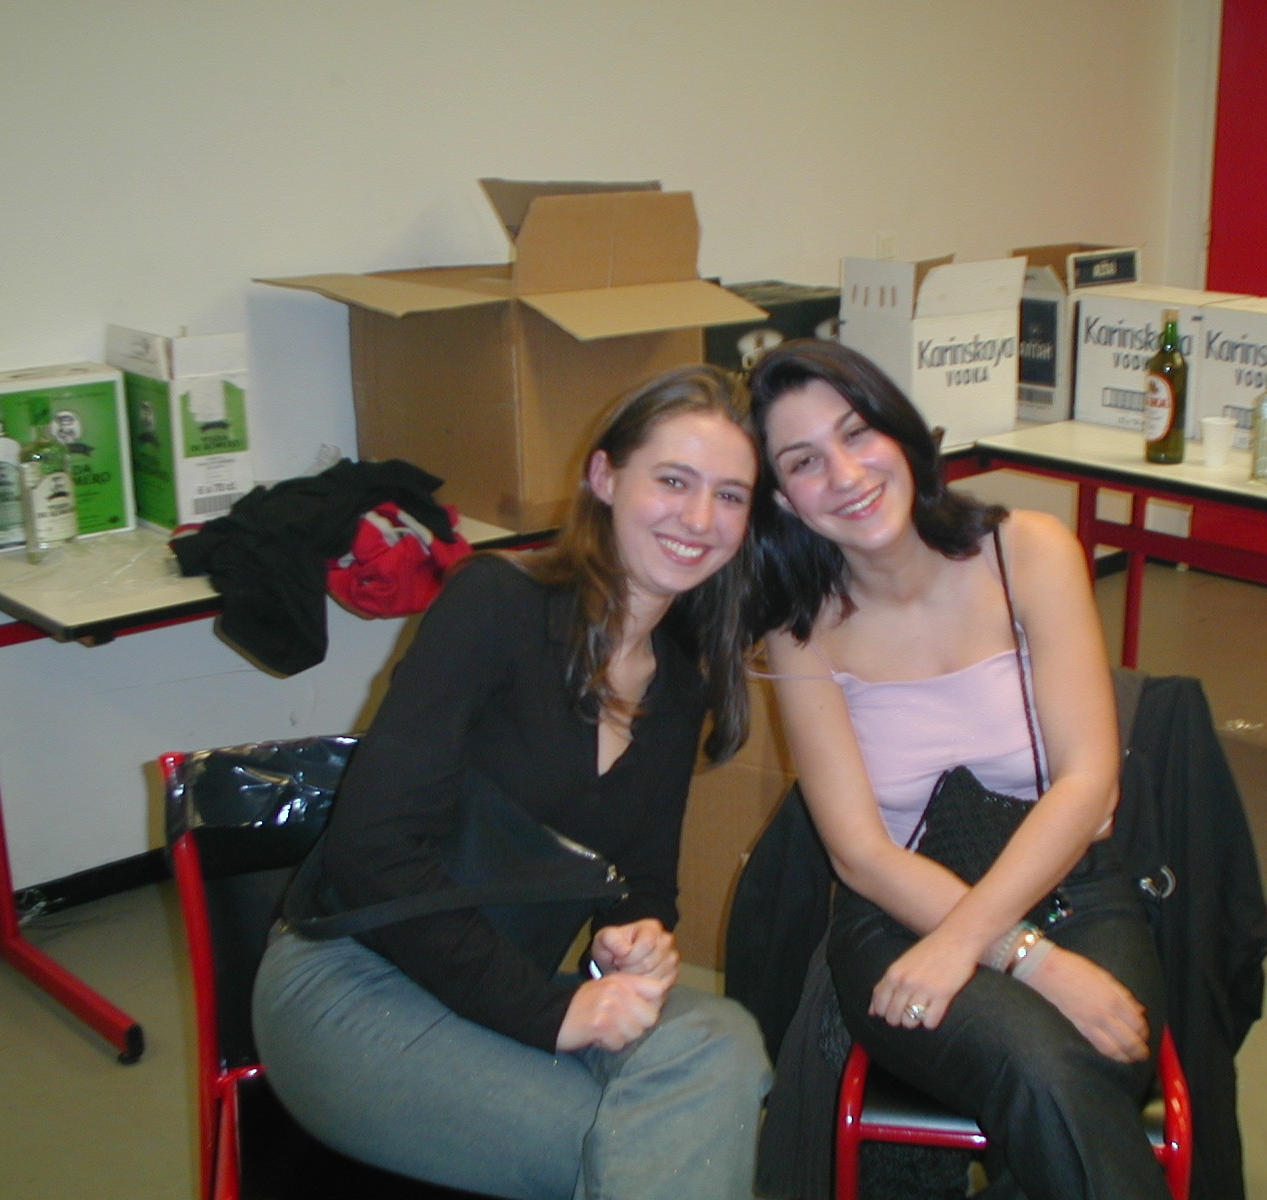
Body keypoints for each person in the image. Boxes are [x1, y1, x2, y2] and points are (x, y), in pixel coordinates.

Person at [252, 365, 772, 1200]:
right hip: (354, 985)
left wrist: (636, 935)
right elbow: (370, 851)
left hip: (498, 990)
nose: (700, 518)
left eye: (731, 495)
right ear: (605, 477)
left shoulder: (680, 682)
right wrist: (546, 1013)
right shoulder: (497, 603)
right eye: (674, 481)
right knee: (650, 1138)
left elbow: (641, 880)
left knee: (723, 1040)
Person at [748, 340, 1170, 1200]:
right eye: (803, 461)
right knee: (1046, 1069)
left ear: (901, 434)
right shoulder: (799, 632)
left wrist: (978, 944)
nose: (845, 474)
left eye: (856, 433)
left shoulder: (1029, 552)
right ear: (783, 499)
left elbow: (1089, 783)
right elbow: (862, 856)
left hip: (1072, 888)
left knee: (1076, 1074)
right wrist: (1031, 961)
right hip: (898, 923)